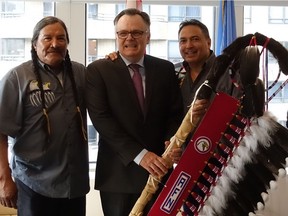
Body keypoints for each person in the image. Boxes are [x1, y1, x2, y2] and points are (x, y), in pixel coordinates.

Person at [85, 8, 183, 216]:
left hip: (160, 172)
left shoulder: (165, 69)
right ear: (116, 36)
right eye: (123, 33)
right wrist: (141, 155)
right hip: (118, 176)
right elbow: (102, 120)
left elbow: (174, 113)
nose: (129, 38)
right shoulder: (98, 70)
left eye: (137, 32)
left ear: (148, 36)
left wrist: (171, 142)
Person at [0, 16, 89, 216]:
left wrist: (113, 60)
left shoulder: (80, 73)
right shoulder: (17, 78)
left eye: (61, 38)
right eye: (47, 38)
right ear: (34, 44)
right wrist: (4, 178)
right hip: (33, 184)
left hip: (74, 184)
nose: (55, 44)